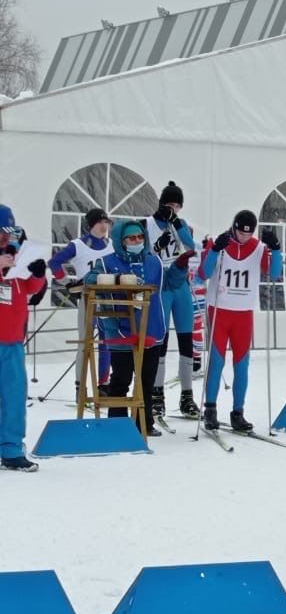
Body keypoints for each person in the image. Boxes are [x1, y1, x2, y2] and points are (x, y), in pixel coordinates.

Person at [197, 210, 283, 432]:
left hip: (243, 313)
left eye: (248, 233)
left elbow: (274, 274)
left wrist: (276, 249)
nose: (244, 237)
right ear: (233, 227)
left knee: (242, 365)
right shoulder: (221, 242)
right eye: (240, 232)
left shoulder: (258, 248)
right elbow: (204, 273)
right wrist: (215, 250)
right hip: (219, 310)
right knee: (216, 362)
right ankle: (210, 409)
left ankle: (238, 413)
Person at [84, 219, 166, 436]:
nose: (137, 241)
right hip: (121, 329)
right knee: (121, 379)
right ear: (121, 241)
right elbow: (89, 280)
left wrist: (181, 266)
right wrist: (118, 279)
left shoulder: (154, 261)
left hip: (151, 328)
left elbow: (168, 285)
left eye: (140, 237)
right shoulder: (107, 261)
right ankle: (117, 425)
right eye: (131, 238)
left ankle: (144, 423)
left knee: (147, 381)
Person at [145, 181, 201, 420]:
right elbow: (145, 254)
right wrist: (157, 246)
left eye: (177, 206)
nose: (173, 209)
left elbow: (190, 244)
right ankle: (157, 394)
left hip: (180, 285)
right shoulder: (147, 224)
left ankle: (187, 395)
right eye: (169, 205)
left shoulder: (181, 224)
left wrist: (177, 223)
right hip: (161, 285)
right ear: (161, 204)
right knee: (161, 340)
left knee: (186, 339)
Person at [0, 205, 49, 471]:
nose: (5, 240)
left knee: (14, 396)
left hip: (12, 341)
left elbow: (30, 287)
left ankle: (10, 450)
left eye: (8, 234)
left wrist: (38, 274)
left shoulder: (16, 256)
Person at [50, 208, 116, 396]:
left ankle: (104, 384)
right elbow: (54, 262)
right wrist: (68, 283)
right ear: (91, 224)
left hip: (108, 298)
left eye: (106, 222)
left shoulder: (111, 244)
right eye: (100, 222)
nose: (104, 226)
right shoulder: (78, 244)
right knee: (85, 342)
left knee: (107, 341)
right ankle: (80, 386)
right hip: (88, 298)